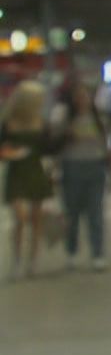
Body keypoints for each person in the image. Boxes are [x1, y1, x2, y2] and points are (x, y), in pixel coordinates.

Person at [50, 78, 111, 271]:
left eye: (85, 96)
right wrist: (66, 137)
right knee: (72, 212)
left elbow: (107, 146)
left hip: (95, 167)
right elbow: (55, 145)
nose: (82, 100)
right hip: (72, 167)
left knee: (95, 212)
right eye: (78, 96)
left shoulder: (99, 120)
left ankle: (98, 253)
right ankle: (71, 251)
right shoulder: (65, 118)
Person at [2, 81, 56, 280]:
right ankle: (17, 260)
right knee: (20, 217)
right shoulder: (8, 123)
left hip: (36, 170)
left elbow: (48, 148)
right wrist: (9, 152)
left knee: (36, 218)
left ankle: (33, 261)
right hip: (16, 171)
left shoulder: (41, 123)